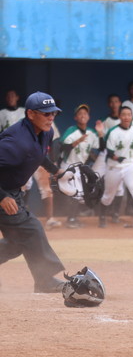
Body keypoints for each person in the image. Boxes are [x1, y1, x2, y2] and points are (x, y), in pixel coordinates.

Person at [0, 91, 66, 293]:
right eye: (46, 114)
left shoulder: (46, 132)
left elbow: (38, 154)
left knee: (17, 243)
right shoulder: (15, 142)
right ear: (30, 114)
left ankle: (44, 280)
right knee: (32, 229)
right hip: (4, 193)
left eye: (53, 113)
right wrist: (2, 196)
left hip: (11, 192)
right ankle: (44, 281)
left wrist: (56, 171)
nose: (51, 117)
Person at [98, 106, 133, 229]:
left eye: (129, 114)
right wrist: (117, 158)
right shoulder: (114, 132)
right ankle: (102, 216)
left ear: (132, 116)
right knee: (108, 195)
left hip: (129, 164)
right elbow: (109, 152)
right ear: (120, 117)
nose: (126, 117)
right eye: (124, 114)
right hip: (114, 166)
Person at [58, 104, 102, 228]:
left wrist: (100, 133)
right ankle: (71, 219)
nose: (83, 115)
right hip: (68, 165)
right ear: (75, 117)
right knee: (75, 193)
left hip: (80, 167)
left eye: (85, 113)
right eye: (80, 114)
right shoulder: (71, 131)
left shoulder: (91, 133)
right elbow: (62, 147)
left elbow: (100, 148)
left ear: (88, 117)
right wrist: (76, 142)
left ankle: (74, 218)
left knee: (81, 194)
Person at [92, 93, 123, 223]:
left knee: (119, 186)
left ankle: (115, 213)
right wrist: (100, 134)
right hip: (105, 153)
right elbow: (101, 146)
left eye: (116, 101)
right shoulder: (105, 122)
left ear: (120, 103)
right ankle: (92, 207)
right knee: (92, 177)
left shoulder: (125, 122)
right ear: (109, 104)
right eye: (112, 102)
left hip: (119, 155)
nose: (114, 104)